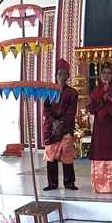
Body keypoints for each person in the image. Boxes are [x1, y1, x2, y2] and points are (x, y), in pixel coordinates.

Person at [87, 64, 112, 193]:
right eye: (103, 73)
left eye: (109, 73)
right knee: (100, 154)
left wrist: (110, 93)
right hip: (100, 129)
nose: (106, 75)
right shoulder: (95, 91)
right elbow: (91, 109)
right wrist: (102, 99)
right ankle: (99, 185)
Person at [42, 58, 78, 191]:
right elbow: (46, 110)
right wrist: (53, 122)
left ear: (68, 75)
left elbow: (71, 112)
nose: (62, 76)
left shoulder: (73, 92)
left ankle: (69, 183)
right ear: (56, 75)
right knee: (51, 157)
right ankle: (52, 183)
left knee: (67, 156)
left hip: (66, 128)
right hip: (51, 128)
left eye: (64, 74)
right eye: (59, 74)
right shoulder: (48, 92)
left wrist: (60, 124)